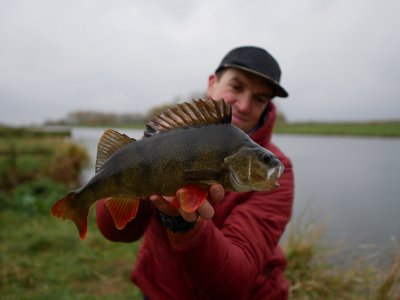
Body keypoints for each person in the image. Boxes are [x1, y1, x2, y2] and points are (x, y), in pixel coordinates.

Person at [96, 46, 294, 299]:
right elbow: (114, 231)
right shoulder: (164, 140)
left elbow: (236, 280)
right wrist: (145, 191)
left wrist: (183, 224)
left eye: (260, 98)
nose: (244, 105)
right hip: (161, 289)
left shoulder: (279, 170)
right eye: (236, 86)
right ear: (212, 83)